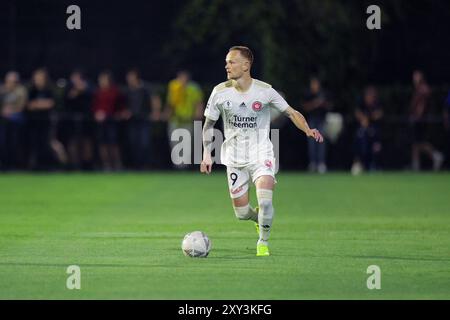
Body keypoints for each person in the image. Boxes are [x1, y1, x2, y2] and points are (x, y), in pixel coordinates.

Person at [200, 46, 323, 256]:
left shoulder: (265, 91)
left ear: (246, 65)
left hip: (261, 153)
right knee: (241, 213)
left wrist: (308, 130)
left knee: (265, 200)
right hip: (234, 157)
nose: (226, 66)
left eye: (232, 62)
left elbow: (291, 113)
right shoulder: (220, 92)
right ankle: (258, 219)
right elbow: (208, 125)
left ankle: (263, 242)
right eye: (226, 62)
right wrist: (205, 154)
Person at [166, 70, 204, 168]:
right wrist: (167, 114)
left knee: (186, 144)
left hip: (188, 120)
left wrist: (199, 114)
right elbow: (170, 102)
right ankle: (178, 166)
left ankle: (184, 166)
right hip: (175, 119)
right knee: (175, 143)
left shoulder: (193, 88)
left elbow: (198, 103)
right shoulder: (174, 86)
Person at [124, 68, 161, 170]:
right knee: (133, 143)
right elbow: (126, 105)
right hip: (133, 120)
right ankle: (137, 165)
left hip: (145, 119)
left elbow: (155, 99)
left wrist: (156, 112)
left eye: (131, 77)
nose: (129, 79)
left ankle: (148, 165)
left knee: (145, 142)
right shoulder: (128, 90)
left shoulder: (146, 88)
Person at [409, 70, 443, 171]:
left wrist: (417, 117)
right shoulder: (418, 89)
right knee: (416, 144)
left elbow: (422, 106)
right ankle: (416, 166)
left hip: (421, 120)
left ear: (421, 77)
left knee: (419, 143)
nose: (414, 79)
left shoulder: (423, 89)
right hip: (419, 120)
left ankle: (436, 155)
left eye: (417, 77)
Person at [92, 71, 126, 171]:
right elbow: (94, 107)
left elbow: (121, 106)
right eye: (100, 80)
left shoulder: (115, 92)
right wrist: (96, 114)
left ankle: (117, 164)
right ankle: (106, 165)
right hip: (100, 122)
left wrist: (118, 114)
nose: (102, 81)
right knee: (102, 144)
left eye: (104, 79)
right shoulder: (97, 92)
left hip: (112, 121)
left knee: (113, 143)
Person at [63, 70, 94, 170]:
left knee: (86, 141)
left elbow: (91, 96)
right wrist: (75, 92)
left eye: (77, 78)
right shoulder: (69, 88)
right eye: (73, 78)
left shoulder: (89, 87)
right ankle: (73, 164)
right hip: (72, 119)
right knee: (73, 141)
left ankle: (87, 165)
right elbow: (67, 99)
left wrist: (82, 90)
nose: (75, 80)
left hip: (86, 119)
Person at [26, 68, 56, 170]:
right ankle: (34, 165)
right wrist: (41, 104)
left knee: (45, 143)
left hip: (45, 121)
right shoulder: (32, 90)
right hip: (33, 121)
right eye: (36, 77)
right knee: (34, 143)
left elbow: (51, 103)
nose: (38, 79)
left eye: (40, 77)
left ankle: (46, 165)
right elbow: (28, 105)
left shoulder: (49, 90)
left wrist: (37, 104)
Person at [351, 86, 383, 175]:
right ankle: (358, 163)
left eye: (371, 96)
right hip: (363, 135)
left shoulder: (376, 104)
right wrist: (363, 118)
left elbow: (379, 114)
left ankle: (374, 165)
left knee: (376, 145)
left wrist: (369, 118)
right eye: (368, 95)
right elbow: (357, 112)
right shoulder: (361, 103)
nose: (369, 97)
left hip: (374, 134)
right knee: (359, 138)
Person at [302, 76, 332, 173]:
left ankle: (321, 163)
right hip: (311, 121)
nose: (314, 86)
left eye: (316, 84)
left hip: (322, 120)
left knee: (321, 142)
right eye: (313, 84)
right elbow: (304, 107)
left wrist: (322, 104)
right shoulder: (308, 94)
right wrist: (315, 104)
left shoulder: (323, 94)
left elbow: (329, 106)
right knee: (311, 143)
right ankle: (313, 163)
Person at [0, 71, 27, 170]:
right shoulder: (2, 91)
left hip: (16, 121)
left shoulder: (21, 91)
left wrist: (11, 111)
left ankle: (15, 165)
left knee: (14, 143)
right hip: (3, 121)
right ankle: (4, 164)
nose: (11, 83)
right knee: (3, 142)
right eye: (9, 81)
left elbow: (21, 106)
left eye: (13, 81)